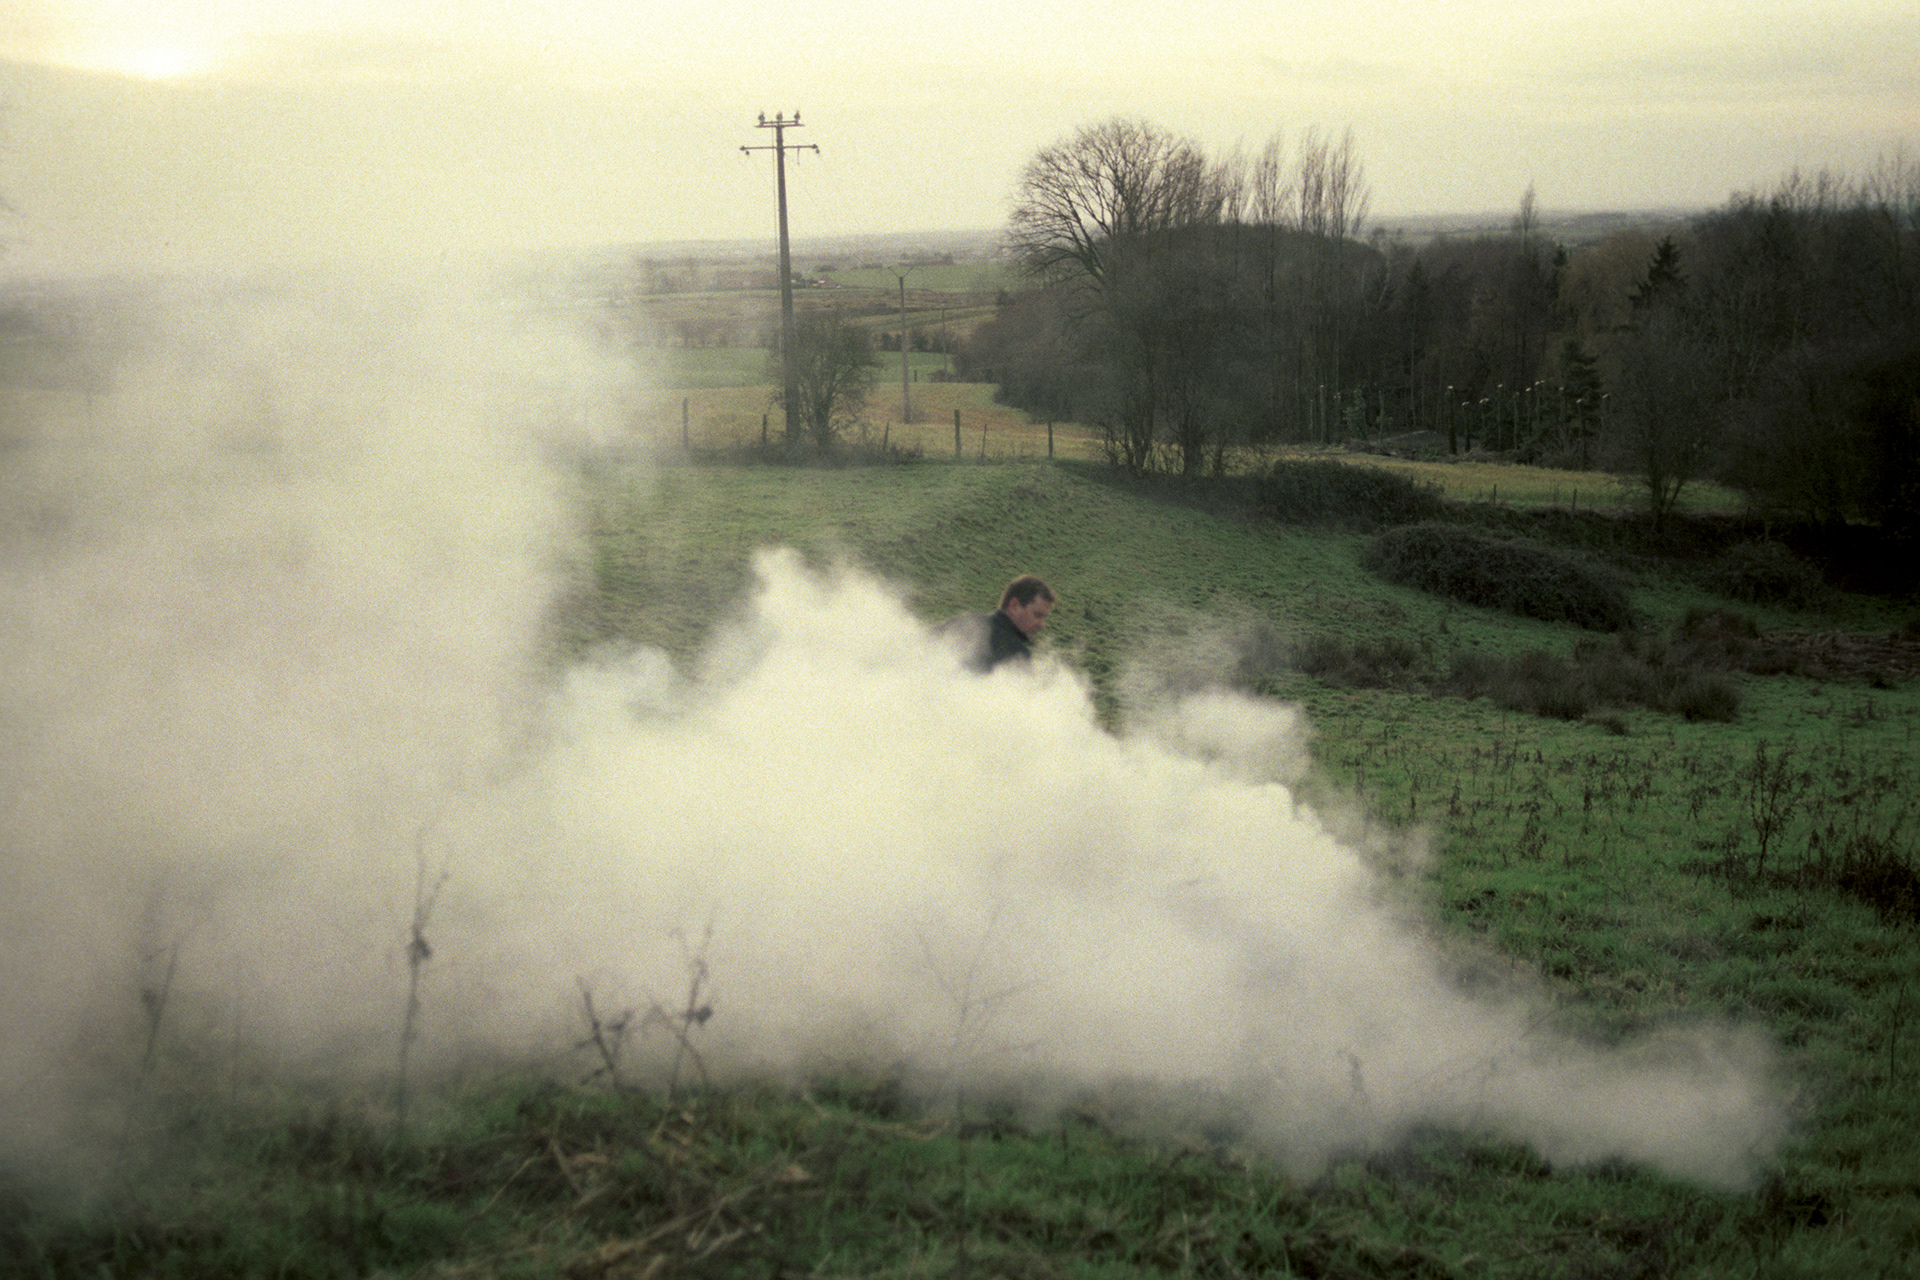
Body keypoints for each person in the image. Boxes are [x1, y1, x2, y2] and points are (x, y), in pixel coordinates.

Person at [940, 575, 1055, 672]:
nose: (1041, 625)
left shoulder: (967, 621)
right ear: (1014, 606)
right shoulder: (1017, 654)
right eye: (1038, 615)